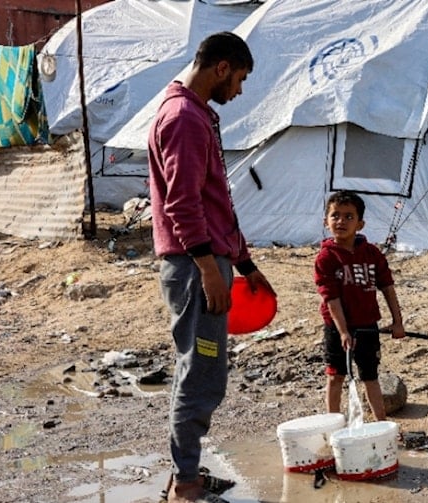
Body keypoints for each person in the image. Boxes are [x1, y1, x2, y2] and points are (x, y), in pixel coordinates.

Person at [149, 31, 274, 503]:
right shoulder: (183, 117)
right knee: (201, 371)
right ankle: (185, 485)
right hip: (193, 265)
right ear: (222, 67)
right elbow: (182, 204)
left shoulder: (193, 112)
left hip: (208, 260)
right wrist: (207, 268)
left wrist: (244, 265)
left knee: (200, 368)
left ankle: (188, 471)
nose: (239, 91)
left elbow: (213, 201)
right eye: (239, 79)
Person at [314, 191, 405, 423]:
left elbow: (387, 287)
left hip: (367, 325)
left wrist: (398, 321)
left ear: (360, 223)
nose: (341, 221)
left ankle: (381, 423)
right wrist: (343, 331)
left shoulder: (372, 253)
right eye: (335, 216)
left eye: (348, 216)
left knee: (370, 376)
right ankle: (332, 424)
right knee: (336, 377)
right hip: (337, 327)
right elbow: (330, 298)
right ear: (326, 222)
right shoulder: (326, 258)